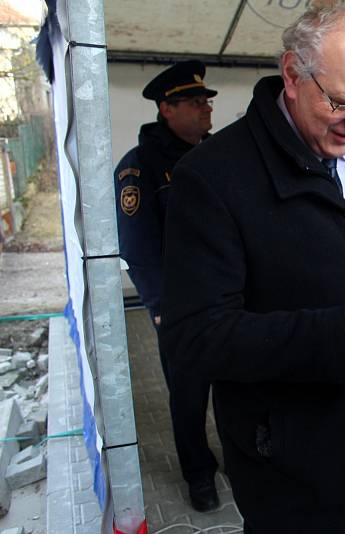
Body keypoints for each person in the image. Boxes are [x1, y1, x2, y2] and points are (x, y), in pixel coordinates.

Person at [159, 6, 345, 533]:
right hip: (290, 465)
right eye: (342, 102)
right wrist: (336, 332)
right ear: (292, 75)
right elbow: (194, 337)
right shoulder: (213, 176)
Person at [113, 60, 220, 512]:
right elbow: (137, 247)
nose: (205, 111)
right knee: (189, 391)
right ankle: (198, 474)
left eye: (205, 102)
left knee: (236, 382)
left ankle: (234, 454)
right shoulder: (138, 168)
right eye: (194, 104)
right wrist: (159, 303)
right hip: (181, 303)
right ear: (166, 108)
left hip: (229, 296)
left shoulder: (218, 155)